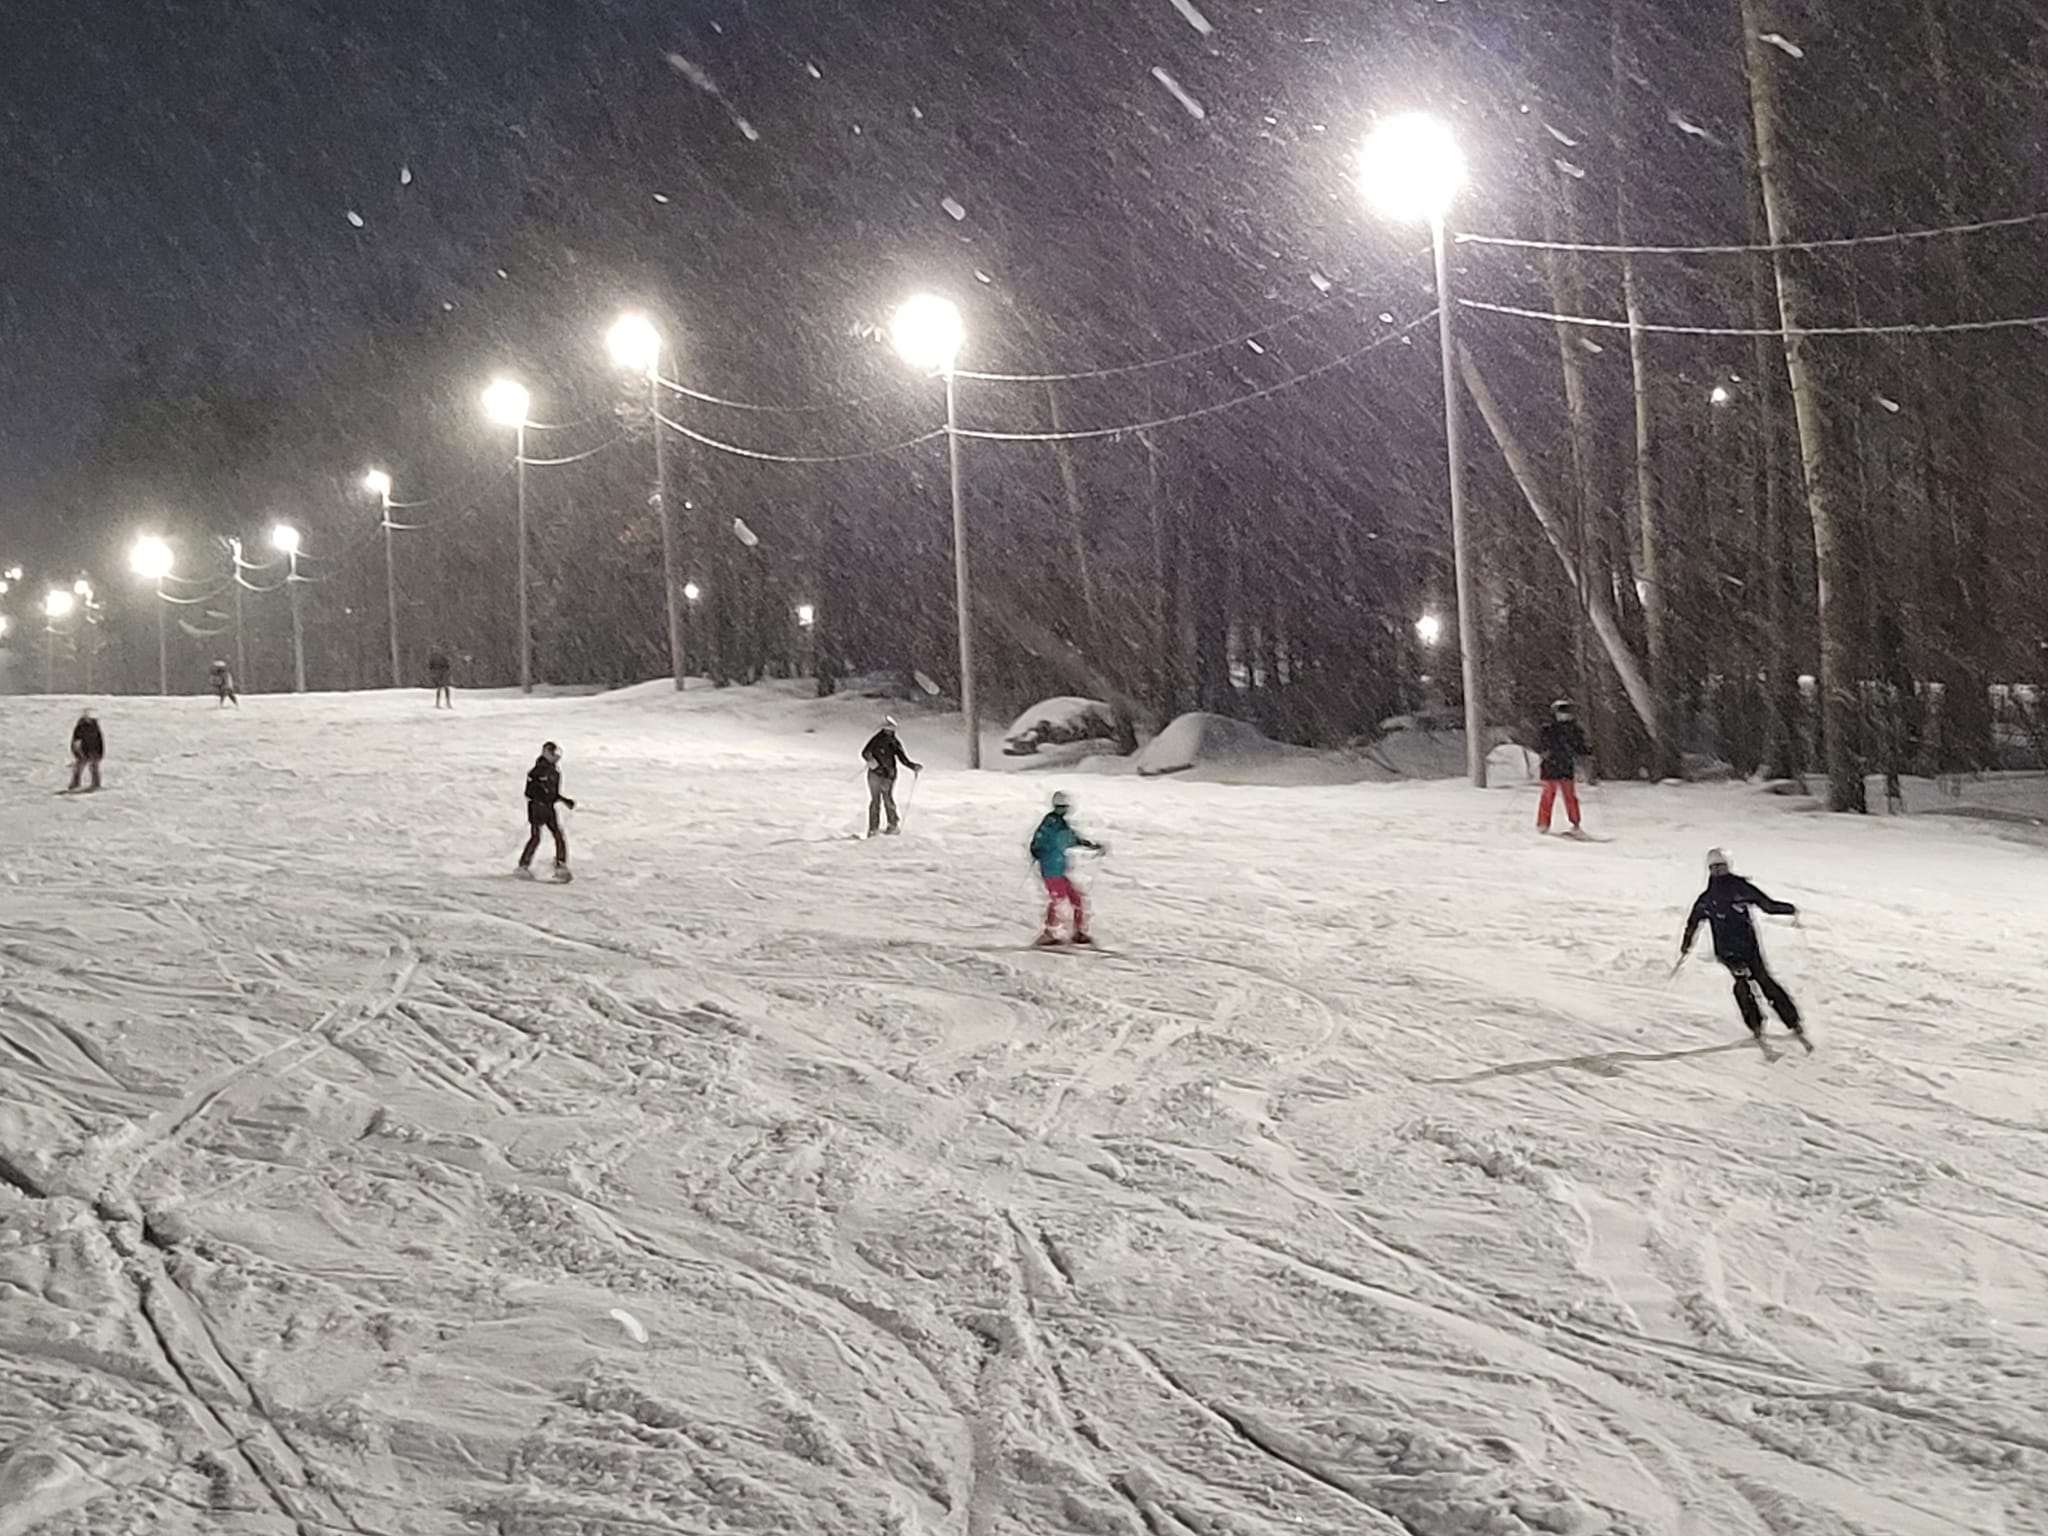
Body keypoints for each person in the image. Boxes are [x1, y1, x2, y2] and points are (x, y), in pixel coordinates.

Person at [1679, 847, 1808, 1049]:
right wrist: (1686, 944)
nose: (1717, 871)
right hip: (1727, 951)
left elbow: (1767, 905)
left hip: (1748, 947)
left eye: (1720, 866)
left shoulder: (1739, 889)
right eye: (1714, 867)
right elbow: (1693, 922)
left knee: (1764, 980)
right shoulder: (1709, 898)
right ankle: (1756, 1025)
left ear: (1727, 866)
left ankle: (1792, 1021)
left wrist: (1788, 909)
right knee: (1742, 982)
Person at [1029, 790, 1104, 946]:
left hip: (1057, 869)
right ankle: (1050, 933)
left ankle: (1078, 932)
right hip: (1051, 871)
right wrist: (1088, 845)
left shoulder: (1056, 823)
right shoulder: (1053, 823)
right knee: (1059, 900)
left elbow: (1068, 838)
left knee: (1074, 899)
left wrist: (1088, 845)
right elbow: (1065, 839)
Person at [518, 741, 575, 879]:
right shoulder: (537, 771)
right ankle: (523, 865)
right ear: (546, 753)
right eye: (553, 754)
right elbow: (529, 792)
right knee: (536, 837)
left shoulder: (554, 772)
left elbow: (553, 793)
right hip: (537, 807)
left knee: (558, 835)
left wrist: (564, 800)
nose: (557, 757)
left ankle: (561, 864)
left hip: (549, 807)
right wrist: (539, 798)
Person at [859, 716, 921, 837]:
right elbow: (865, 753)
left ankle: (880, 827)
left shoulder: (889, 741)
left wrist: (912, 766)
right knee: (883, 799)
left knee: (880, 799)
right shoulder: (883, 740)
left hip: (883, 774)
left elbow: (902, 757)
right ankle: (885, 826)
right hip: (882, 774)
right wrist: (874, 764)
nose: (891, 732)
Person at [1536, 697, 1590, 834]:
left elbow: (1579, 747)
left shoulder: (1574, 730)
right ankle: (1543, 824)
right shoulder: (1549, 729)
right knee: (1548, 796)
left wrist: (1587, 751)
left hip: (1566, 765)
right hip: (1551, 766)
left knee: (1569, 796)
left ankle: (1575, 823)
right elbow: (1541, 745)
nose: (1565, 715)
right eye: (1561, 712)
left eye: (1567, 712)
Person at [68, 710, 104, 792]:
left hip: (93, 750)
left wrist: (99, 753)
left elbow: (99, 741)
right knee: (80, 767)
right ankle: (75, 783)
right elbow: (76, 740)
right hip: (83, 750)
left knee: (93, 767)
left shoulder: (95, 728)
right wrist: (77, 752)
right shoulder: (81, 728)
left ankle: (95, 783)